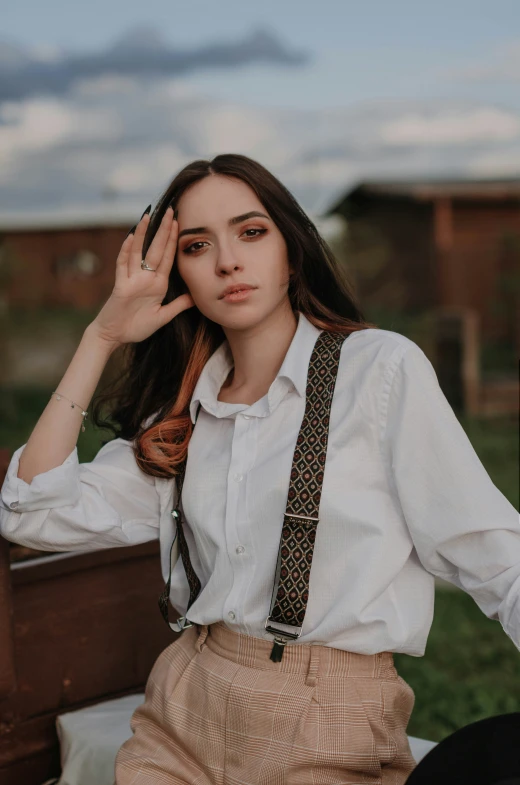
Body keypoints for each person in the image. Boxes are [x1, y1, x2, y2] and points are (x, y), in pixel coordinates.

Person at [0, 153, 518, 785]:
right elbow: (35, 514)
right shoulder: (182, 417)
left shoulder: (378, 370)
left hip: (331, 721)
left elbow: (494, 553)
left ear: (291, 249)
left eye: (251, 232)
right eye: (197, 244)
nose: (227, 261)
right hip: (184, 710)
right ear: (178, 270)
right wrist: (102, 337)